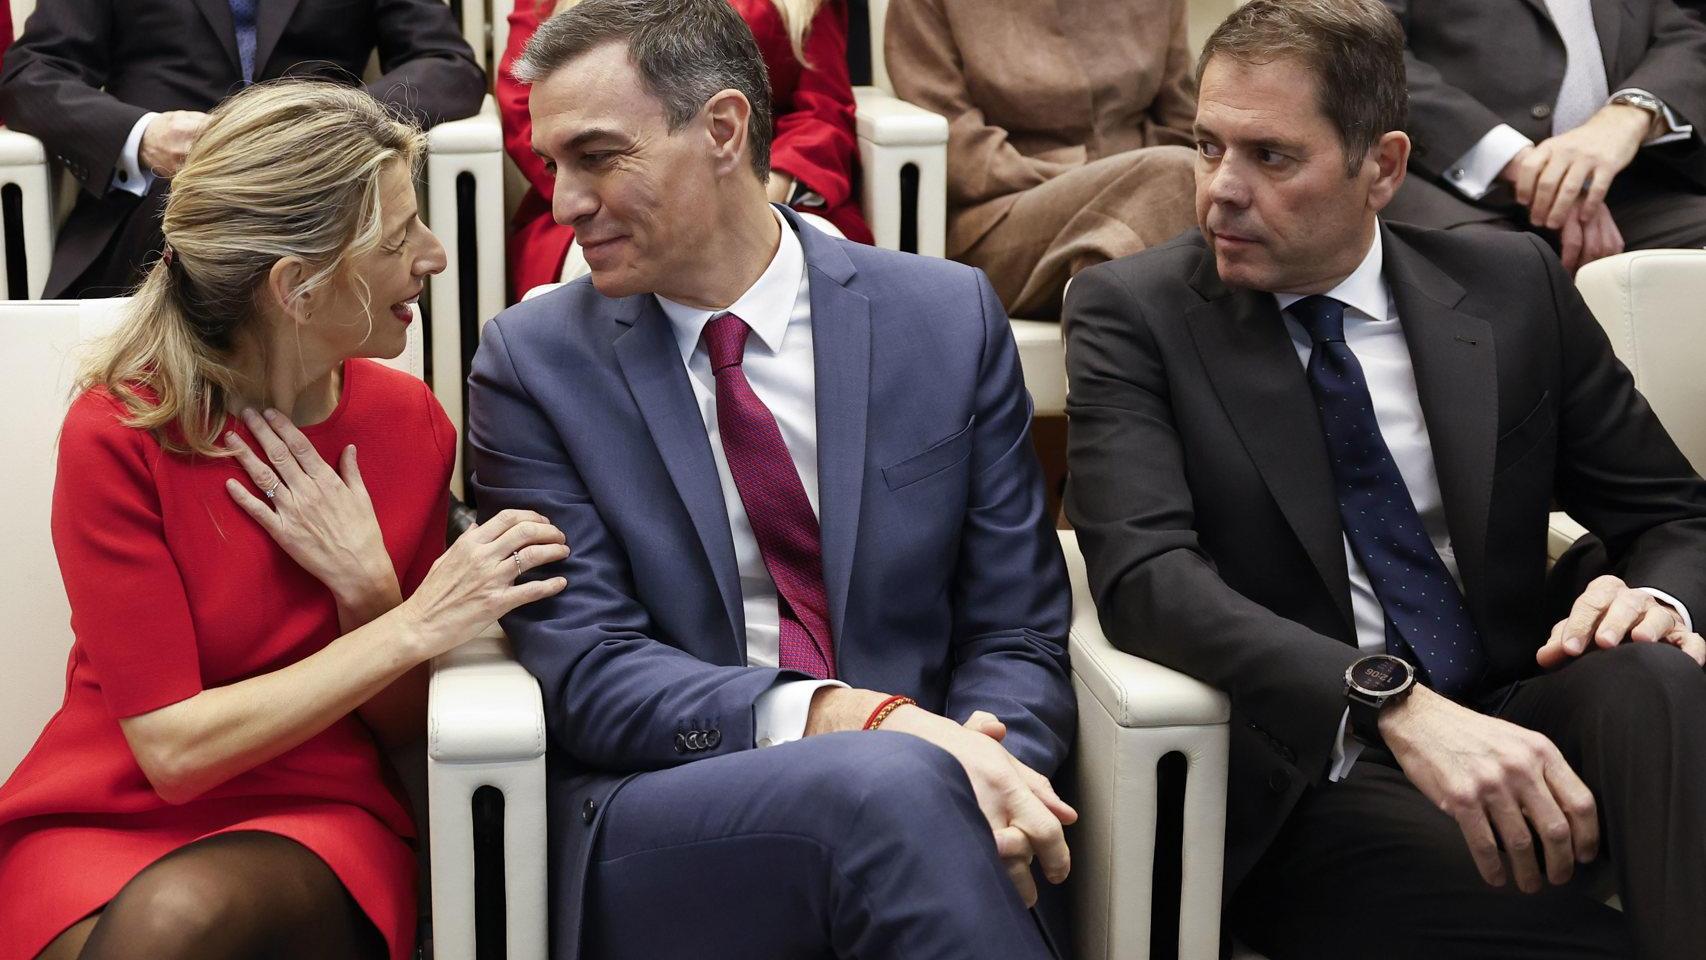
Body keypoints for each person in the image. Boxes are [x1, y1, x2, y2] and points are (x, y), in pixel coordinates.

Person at [1065, 0, 1706, 956]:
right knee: (1568, 932)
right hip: (1316, 766)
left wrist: (1651, 599)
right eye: (1207, 147)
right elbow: (1148, 581)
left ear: (1385, 168)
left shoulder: (1511, 285)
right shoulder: (1134, 313)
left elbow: (1673, 515)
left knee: (1655, 678)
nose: (1218, 193)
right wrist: (1388, 701)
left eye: (1271, 157)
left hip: (1514, 700)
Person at [469, 0, 1076, 956]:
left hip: (950, 795)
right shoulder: (532, 363)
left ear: (721, 129)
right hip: (674, 812)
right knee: (885, 778)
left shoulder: (946, 318)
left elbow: (1019, 631)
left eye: (596, 156)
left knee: (902, 790)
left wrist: (994, 782)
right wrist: (851, 720)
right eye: (552, 165)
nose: (563, 204)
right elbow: (589, 672)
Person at [0, 82, 567, 960]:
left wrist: (371, 592)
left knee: (176, 924)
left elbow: (408, 725)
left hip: (315, 817)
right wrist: (410, 623)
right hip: (107, 809)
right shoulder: (117, 432)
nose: (436, 255)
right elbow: (172, 751)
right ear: (297, 287)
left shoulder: (406, 425)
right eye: (398, 236)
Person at [0, 0, 485, 299]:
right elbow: (30, 76)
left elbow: (448, 66)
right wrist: (144, 135)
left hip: (317, 193)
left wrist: (322, 123)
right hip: (160, 201)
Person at [499, 0, 872, 299]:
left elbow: (822, 109)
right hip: (608, 195)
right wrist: (600, 170)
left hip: (768, 185)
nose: (566, 210)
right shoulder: (575, 196)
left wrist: (762, 187)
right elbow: (529, 110)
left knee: (822, 278)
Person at [883, 0, 1199, 319]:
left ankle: (1111, 367)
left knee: (1125, 234)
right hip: (1002, 215)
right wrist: (1086, 180)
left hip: (1152, 203)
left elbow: (1185, 120)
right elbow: (959, 145)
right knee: (1168, 178)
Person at [1378, 0, 1706, 272]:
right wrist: (1521, 164)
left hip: (1622, 190)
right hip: (1439, 183)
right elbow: (1368, 53)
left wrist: (1631, 115)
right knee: (1497, 269)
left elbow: (1684, 30)